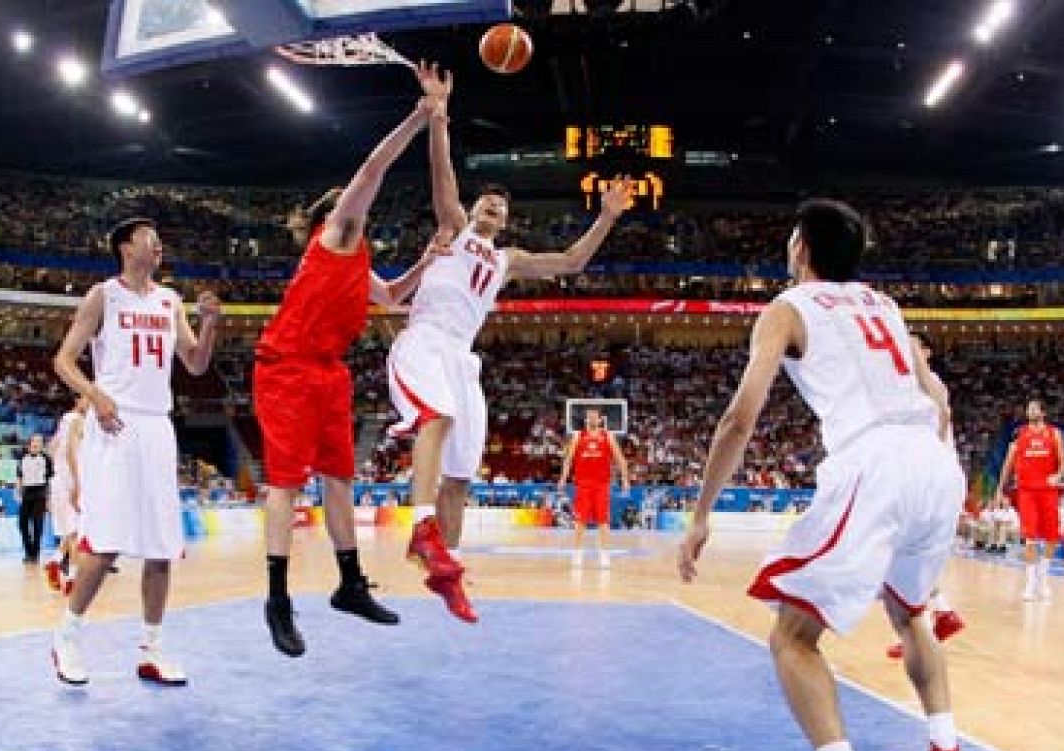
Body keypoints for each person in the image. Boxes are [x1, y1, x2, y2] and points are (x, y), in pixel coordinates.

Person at [678, 200, 967, 751]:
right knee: (911, 609)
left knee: (792, 635)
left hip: (874, 463)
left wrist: (700, 516)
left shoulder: (787, 307)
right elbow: (938, 399)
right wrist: (929, 467)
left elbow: (738, 417)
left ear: (801, 247)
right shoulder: (885, 306)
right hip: (933, 462)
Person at [390, 68, 635, 622]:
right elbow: (441, 176)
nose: (490, 210)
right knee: (435, 418)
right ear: (474, 211)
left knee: (461, 477)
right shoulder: (453, 229)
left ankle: (443, 568)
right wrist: (439, 115)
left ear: (508, 221)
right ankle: (421, 525)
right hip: (427, 340)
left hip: (463, 360)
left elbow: (571, 262)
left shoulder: (507, 260)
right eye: (486, 204)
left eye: (500, 208)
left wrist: (606, 218)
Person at [254, 69, 448, 657]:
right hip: (286, 367)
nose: (362, 203)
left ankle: (349, 584)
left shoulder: (355, 259)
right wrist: (423, 113)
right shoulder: (334, 233)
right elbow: (373, 170)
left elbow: (389, 298)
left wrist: (424, 263)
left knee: (340, 480)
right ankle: (278, 602)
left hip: (328, 373)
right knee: (286, 487)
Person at [49, 217, 221, 687]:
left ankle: (152, 647)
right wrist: (96, 394)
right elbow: (63, 360)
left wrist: (208, 325)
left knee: (163, 548)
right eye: (150, 238)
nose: (159, 244)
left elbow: (196, 363)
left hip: (157, 426)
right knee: (105, 546)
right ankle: (66, 636)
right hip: (114, 425)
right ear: (126, 247)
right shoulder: (103, 295)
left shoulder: (170, 301)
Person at [885, 338, 965, 660]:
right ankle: (941, 614)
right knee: (904, 556)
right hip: (928, 475)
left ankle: (920, 628)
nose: (909, 347)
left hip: (929, 476)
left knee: (897, 556)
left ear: (928, 352)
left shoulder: (930, 383)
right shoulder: (907, 385)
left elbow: (942, 416)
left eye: (916, 344)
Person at [996, 399, 1064, 601]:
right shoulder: (1020, 435)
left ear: (1043, 413)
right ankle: (1030, 582)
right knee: (1030, 538)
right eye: (1028, 408)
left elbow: (1063, 463)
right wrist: (999, 490)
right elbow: (1007, 465)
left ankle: (1043, 578)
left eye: (1034, 408)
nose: (1030, 411)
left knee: (1052, 537)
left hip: (1048, 491)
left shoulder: (1054, 434)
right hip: (1026, 492)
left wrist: (1058, 476)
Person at [557, 406, 631, 568]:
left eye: (594, 417)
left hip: (602, 485)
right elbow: (568, 460)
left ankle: (604, 554)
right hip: (583, 484)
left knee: (603, 521)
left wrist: (625, 480)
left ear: (599, 420)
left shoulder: (608, 436)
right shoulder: (578, 436)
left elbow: (620, 459)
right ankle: (577, 554)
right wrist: (563, 478)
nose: (591, 419)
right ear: (586, 420)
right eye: (589, 417)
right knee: (580, 521)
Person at [45, 396, 88, 594]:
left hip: (57, 479)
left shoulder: (65, 418)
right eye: (88, 399)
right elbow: (71, 451)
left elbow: (51, 448)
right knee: (75, 533)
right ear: (78, 401)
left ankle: (55, 562)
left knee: (69, 531)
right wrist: (77, 481)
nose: (90, 403)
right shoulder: (78, 420)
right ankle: (73, 580)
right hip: (70, 479)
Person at [16, 433, 52, 564]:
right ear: (30, 443)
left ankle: (35, 554)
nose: (37, 443)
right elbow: (19, 477)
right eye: (35, 441)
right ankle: (28, 551)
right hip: (26, 493)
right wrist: (18, 492)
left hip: (40, 493)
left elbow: (50, 479)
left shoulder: (46, 459)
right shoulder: (22, 458)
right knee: (22, 524)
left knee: (38, 525)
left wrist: (49, 499)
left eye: (40, 442)